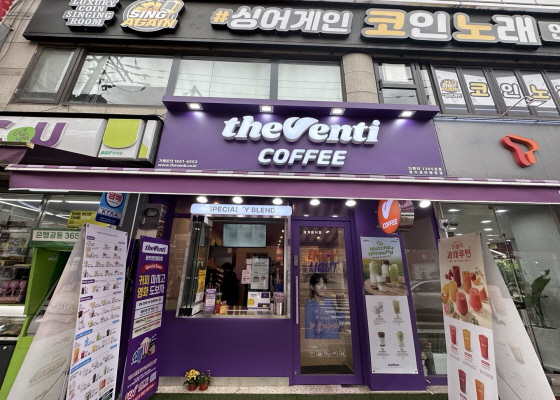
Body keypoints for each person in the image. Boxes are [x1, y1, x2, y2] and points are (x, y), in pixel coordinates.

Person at [304, 273, 344, 339]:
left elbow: (339, 327)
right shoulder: (310, 306)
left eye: (324, 284)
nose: (323, 287)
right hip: (321, 343)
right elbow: (309, 332)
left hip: (334, 343)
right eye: (319, 284)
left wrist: (341, 309)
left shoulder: (330, 303)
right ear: (312, 287)